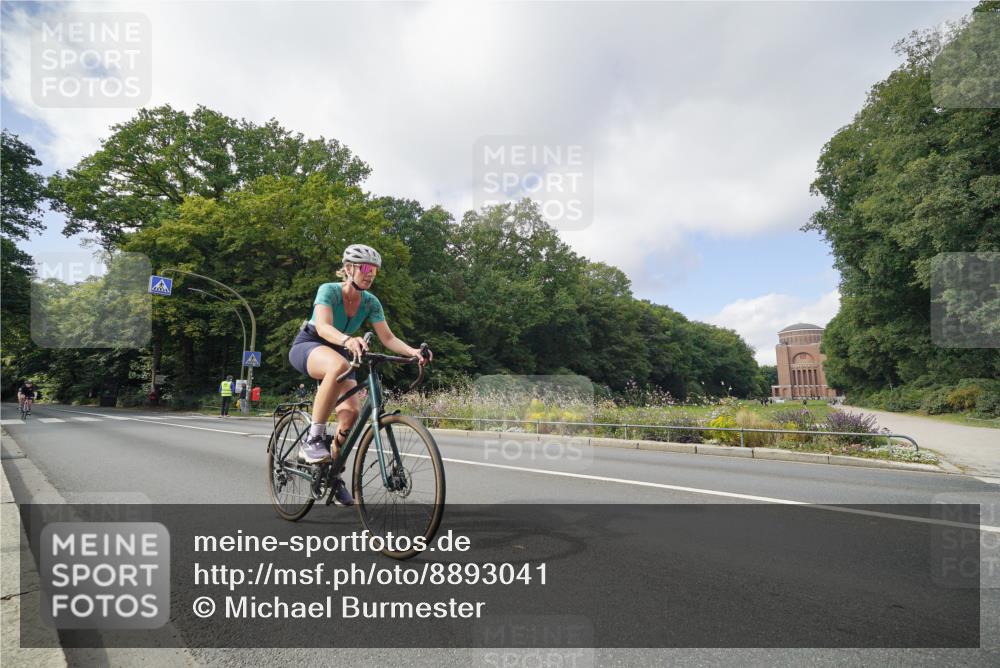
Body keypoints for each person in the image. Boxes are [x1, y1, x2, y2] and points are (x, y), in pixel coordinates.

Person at [288, 243, 431, 506]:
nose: (370, 273)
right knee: (338, 366)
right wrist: (347, 339)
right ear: (348, 268)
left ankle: (332, 475)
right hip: (309, 344)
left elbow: (387, 337)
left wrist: (413, 352)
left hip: (342, 351)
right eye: (365, 268)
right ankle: (314, 438)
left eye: (374, 270)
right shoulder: (329, 290)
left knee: (352, 412)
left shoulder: (370, 302)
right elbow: (322, 326)